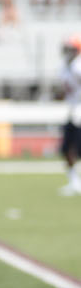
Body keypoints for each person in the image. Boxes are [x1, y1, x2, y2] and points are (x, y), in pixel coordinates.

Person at [59, 36, 81, 196]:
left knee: (77, 148)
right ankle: (73, 181)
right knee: (67, 148)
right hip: (72, 110)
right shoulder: (65, 67)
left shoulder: (78, 66)